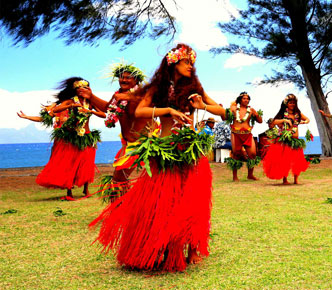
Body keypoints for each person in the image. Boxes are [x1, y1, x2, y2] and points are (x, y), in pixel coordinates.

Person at [90, 43, 225, 272]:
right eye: (186, 62)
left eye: (192, 63)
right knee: (161, 202)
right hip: (165, 149)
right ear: (173, 62)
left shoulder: (195, 87)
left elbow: (221, 112)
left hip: (189, 151)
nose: (190, 66)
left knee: (193, 200)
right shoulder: (158, 88)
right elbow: (140, 111)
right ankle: (157, 247)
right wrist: (168, 111)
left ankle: (192, 248)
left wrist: (203, 106)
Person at [83, 62, 151, 202]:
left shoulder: (142, 93)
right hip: (128, 144)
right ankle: (122, 209)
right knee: (119, 179)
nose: (124, 80)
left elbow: (150, 102)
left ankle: (128, 208)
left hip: (146, 143)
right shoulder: (118, 95)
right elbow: (108, 108)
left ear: (136, 81)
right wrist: (91, 96)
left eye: (128, 77)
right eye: (121, 77)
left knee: (124, 179)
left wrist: (130, 98)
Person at [36, 78, 104, 200]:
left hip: (87, 136)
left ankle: (86, 189)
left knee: (86, 163)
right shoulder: (70, 101)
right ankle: (69, 191)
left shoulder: (90, 102)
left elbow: (103, 114)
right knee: (71, 164)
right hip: (73, 137)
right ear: (74, 90)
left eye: (83, 88)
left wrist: (89, 111)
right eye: (78, 88)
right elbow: (55, 110)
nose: (80, 90)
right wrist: (72, 105)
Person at [262, 94, 309, 184]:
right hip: (285, 140)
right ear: (286, 104)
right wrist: (284, 120)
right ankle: (285, 179)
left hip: (295, 140)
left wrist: (304, 121)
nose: (292, 104)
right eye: (290, 103)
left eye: (294, 103)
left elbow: (307, 119)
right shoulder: (282, 114)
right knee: (285, 161)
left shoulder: (297, 114)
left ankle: (296, 179)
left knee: (297, 161)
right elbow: (273, 121)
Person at [226, 92, 263, 181]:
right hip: (236, 133)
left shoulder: (251, 110)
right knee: (236, 154)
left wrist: (256, 114)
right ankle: (235, 176)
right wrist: (227, 111)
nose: (246, 100)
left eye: (247, 99)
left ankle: (250, 175)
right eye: (244, 98)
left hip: (247, 134)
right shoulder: (233, 109)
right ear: (240, 99)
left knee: (253, 154)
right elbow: (225, 118)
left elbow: (260, 121)